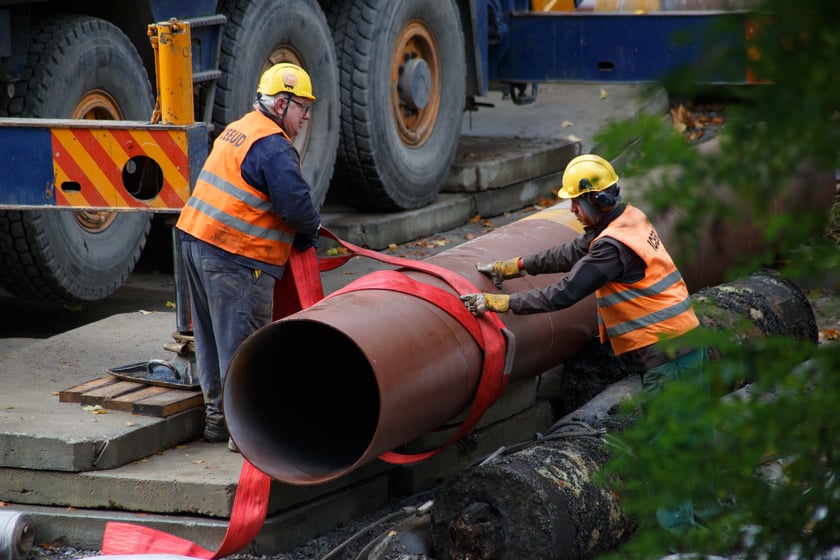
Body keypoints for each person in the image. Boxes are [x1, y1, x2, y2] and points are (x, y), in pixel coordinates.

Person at [460, 154, 709, 531]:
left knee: (669, 448)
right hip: (687, 345)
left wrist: (500, 303)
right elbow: (571, 253)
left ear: (598, 200)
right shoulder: (626, 219)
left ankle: (682, 539)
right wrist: (516, 266)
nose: (572, 209)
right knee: (692, 439)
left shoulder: (613, 248)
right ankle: (710, 518)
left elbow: (564, 293)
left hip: (667, 358)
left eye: (576, 202)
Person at [176, 62, 321, 451]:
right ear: (280, 104)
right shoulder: (274, 146)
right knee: (245, 345)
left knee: (211, 339)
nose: (306, 117)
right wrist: (311, 232)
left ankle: (217, 422)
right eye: (302, 107)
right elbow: (295, 206)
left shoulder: (239, 128)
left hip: (196, 242)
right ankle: (247, 434)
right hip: (235, 255)